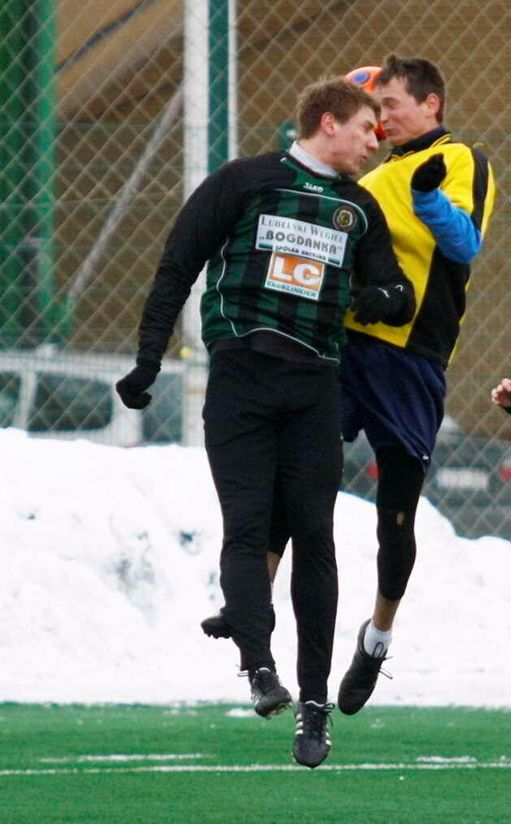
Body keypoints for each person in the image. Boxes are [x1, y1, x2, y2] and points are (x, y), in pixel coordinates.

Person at [115, 76, 415, 768]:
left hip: (314, 389)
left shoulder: (359, 207)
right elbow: (177, 265)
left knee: (315, 535)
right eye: (366, 129)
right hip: (242, 383)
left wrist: (382, 296)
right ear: (329, 122)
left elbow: (397, 291)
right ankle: (259, 669)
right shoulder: (245, 181)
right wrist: (148, 359)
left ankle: (315, 708)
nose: (374, 144)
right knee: (247, 529)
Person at [210, 55, 497, 715]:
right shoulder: (364, 176)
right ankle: (251, 606)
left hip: (410, 356)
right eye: (376, 108)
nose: (383, 117)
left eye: (392, 104)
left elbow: (463, 246)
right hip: (339, 348)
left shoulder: (459, 160)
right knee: (292, 485)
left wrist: (427, 197)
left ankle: (377, 638)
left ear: (431, 104)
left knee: (395, 513)